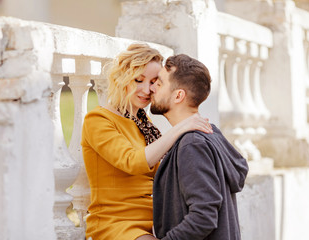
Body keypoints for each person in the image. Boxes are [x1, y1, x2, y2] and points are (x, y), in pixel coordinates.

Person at [81, 44, 212, 240]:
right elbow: (132, 161)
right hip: (117, 223)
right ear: (122, 77)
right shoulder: (98, 120)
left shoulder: (143, 122)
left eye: (153, 82)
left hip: (156, 221)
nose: (146, 89)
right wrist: (181, 127)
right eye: (138, 80)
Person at [150, 54, 249, 240]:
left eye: (160, 83)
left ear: (178, 95)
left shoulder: (192, 144)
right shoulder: (208, 134)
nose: (152, 87)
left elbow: (203, 216)